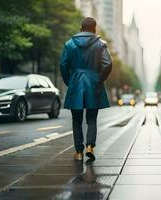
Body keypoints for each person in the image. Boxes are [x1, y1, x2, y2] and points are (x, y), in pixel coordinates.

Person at [60, 17, 112, 161]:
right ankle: (90, 146)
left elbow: (63, 65)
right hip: (93, 84)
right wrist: (98, 79)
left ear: (80, 28)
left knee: (76, 120)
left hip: (75, 83)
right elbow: (107, 64)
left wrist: (69, 81)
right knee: (92, 119)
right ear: (95, 29)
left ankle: (78, 152)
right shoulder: (101, 44)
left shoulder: (69, 44)